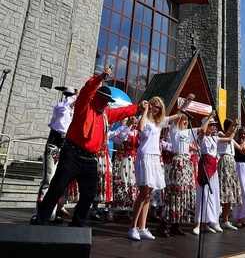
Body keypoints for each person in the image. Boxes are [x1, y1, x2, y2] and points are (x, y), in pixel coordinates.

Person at [31, 68, 144, 227]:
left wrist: (138, 107)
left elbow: (121, 112)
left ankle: (77, 223)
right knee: (56, 188)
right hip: (72, 155)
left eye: (107, 101)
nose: (105, 103)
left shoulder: (105, 114)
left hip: (90, 159)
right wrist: (100, 78)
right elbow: (87, 90)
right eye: (103, 99)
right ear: (97, 97)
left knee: (89, 193)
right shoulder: (84, 105)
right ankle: (41, 219)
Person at [128, 94, 194, 241]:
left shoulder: (160, 122)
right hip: (144, 156)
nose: (156, 109)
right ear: (150, 105)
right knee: (144, 192)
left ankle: (143, 227)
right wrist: (145, 110)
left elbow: (177, 115)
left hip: (155, 157)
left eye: (159, 107)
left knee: (149, 193)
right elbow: (140, 128)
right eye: (154, 105)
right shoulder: (144, 119)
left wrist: (187, 102)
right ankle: (133, 227)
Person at [34, 85, 78, 223]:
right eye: (71, 96)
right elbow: (63, 107)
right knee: (47, 179)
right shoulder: (60, 107)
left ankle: (51, 213)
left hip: (64, 146)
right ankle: (39, 213)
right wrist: (73, 97)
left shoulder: (72, 111)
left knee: (57, 182)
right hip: (54, 144)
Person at [193, 113, 240, 235]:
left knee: (213, 197)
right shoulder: (202, 137)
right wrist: (209, 118)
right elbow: (202, 130)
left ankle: (209, 222)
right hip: (205, 169)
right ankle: (198, 223)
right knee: (203, 195)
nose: (214, 127)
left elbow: (229, 139)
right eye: (211, 125)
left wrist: (234, 127)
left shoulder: (215, 138)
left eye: (214, 125)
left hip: (213, 170)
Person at [157, 112, 198, 237]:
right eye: (184, 120)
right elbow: (178, 115)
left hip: (186, 163)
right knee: (174, 193)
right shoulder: (174, 131)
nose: (185, 122)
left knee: (182, 195)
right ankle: (163, 224)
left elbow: (202, 128)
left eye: (186, 121)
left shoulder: (188, 132)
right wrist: (186, 103)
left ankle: (175, 225)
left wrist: (211, 117)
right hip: (178, 161)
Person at [217, 118, 244, 230]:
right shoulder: (220, 134)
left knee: (230, 193)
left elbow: (241, 149)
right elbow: (228, 138)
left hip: (231, 162)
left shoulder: (231, 137)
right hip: (224, 161)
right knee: (223, 190)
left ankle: (225, 219)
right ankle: (217, 218)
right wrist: (233, 129)